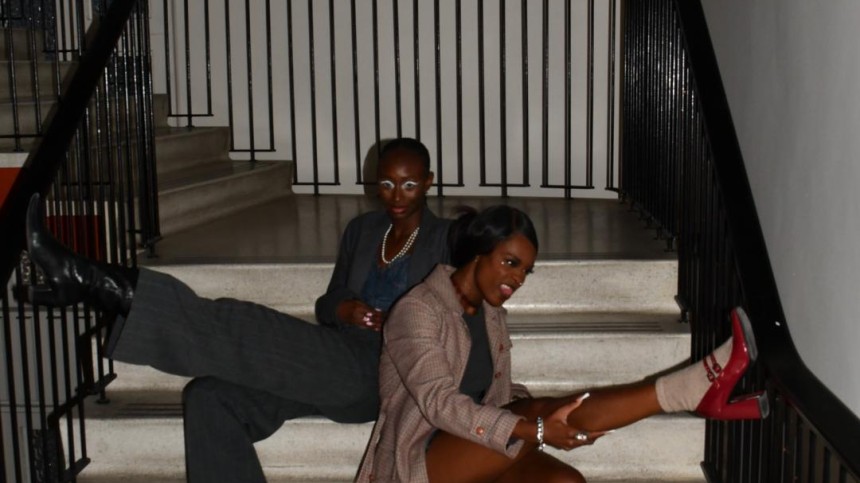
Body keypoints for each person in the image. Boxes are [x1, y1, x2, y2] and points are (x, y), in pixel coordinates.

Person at [24, 138, 451, 483]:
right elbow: (327, 302)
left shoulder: (445, 241)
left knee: (250, 327)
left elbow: (458, 328)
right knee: (209, 398)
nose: (396, 195)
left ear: (428, 182)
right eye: (387, 183)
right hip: (337, 355)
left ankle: (97, 281)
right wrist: (344, 308)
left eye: (409, 184)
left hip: (383, 372)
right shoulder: (363, 229)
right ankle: (98, 283)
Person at [356, 205, 769, 482]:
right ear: (478, 253)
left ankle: (695, 394)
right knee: (534, 413)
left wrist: (557, 414)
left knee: (566, 481)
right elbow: (439, 404)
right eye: (510, 263)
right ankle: (690, 390)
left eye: (525, 272)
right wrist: (534, 425)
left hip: (480, 442)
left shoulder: (490, 313)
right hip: (418, 459)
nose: (517, 279)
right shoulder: (418, 309)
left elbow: (498, 393)